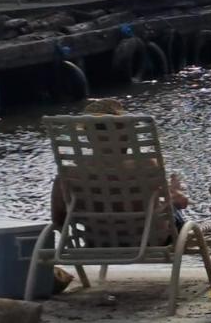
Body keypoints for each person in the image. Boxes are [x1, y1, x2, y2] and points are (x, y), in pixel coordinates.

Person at [49, 98, 190, 233]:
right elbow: (181, 203)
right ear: (125, 134)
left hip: (98, 243)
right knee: (174, 210)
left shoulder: (69, 175)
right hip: (148, 241)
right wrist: (175, 192)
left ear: (88, 137)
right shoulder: (145, 165)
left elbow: (58, 221)